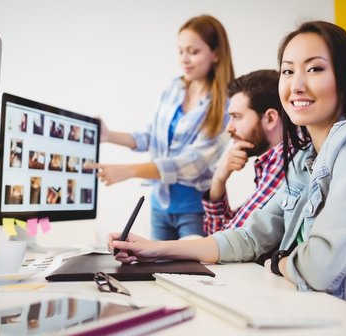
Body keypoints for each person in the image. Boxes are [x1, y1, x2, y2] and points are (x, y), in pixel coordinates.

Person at [108, 21, 346, 335]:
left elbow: (321, 268)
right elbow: (250, 238)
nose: (296, 85)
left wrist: (278, 261)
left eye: (314, 68)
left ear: (345, 79)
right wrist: (156, 250)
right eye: (287, 70)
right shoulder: (303, 160)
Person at [85, 15, 235, 240]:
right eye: (180, 51)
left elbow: (191, 164)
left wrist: (129, 171)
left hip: (194, 211)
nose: (184, 59)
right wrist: (110, 136)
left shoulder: (226, 104)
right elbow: (149, 137)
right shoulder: (173, 88)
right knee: (154, 273)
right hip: (159, 207)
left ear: (216, 54)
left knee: (191, 274)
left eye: (193, 52)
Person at [202, 70, 288, 239]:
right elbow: (220, 238)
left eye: (236, 117)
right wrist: (219, 180)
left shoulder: (285, 161)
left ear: (270, 118)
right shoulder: (270, 162)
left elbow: (225, 241)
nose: (229, 128)